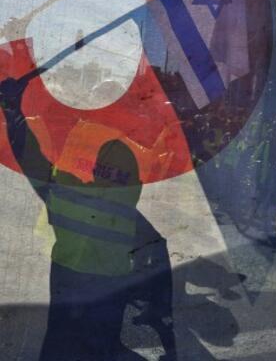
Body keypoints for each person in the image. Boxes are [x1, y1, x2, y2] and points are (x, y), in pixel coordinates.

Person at [0, 76, 175, 360]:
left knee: (61, 345)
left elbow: (33, 164)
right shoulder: (128, 150)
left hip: (69, 270)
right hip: (107, 274)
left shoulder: (81, 146)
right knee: (95, 346)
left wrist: (13, 111)